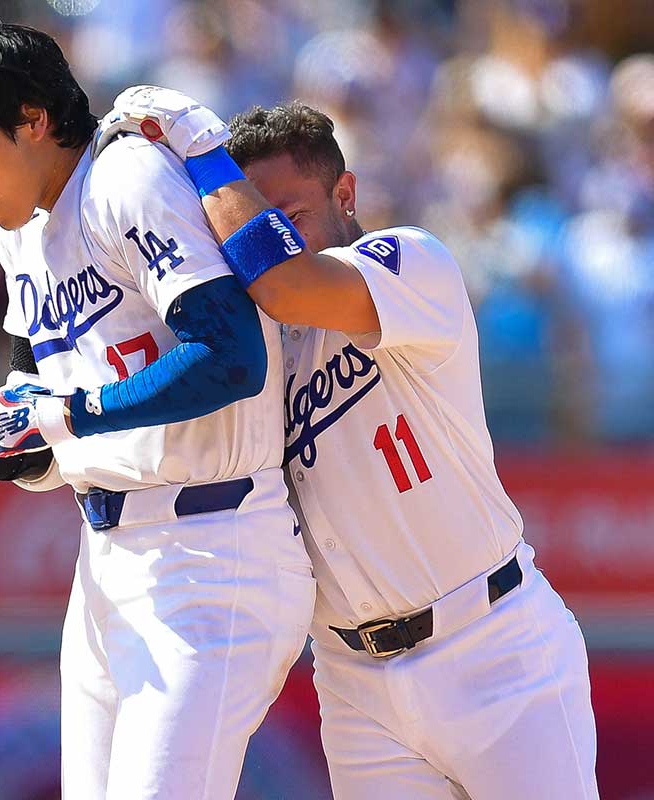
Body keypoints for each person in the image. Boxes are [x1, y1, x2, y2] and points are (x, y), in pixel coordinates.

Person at [95, 88, 598, 799]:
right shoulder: (252, 356)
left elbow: (289, 283)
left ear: (346, 192)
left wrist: (199, 144)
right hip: (353, 678)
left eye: (292, 215)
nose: (275, 237)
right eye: (254, 222)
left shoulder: (408, 261)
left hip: (494, 645)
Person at [0, 22, 315, 800]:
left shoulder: (126, 177)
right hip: (107, 561)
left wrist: (73, 413)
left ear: (33, 120)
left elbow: (233, 355)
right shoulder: (20, 235)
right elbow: (34, 421)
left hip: (214, 549)